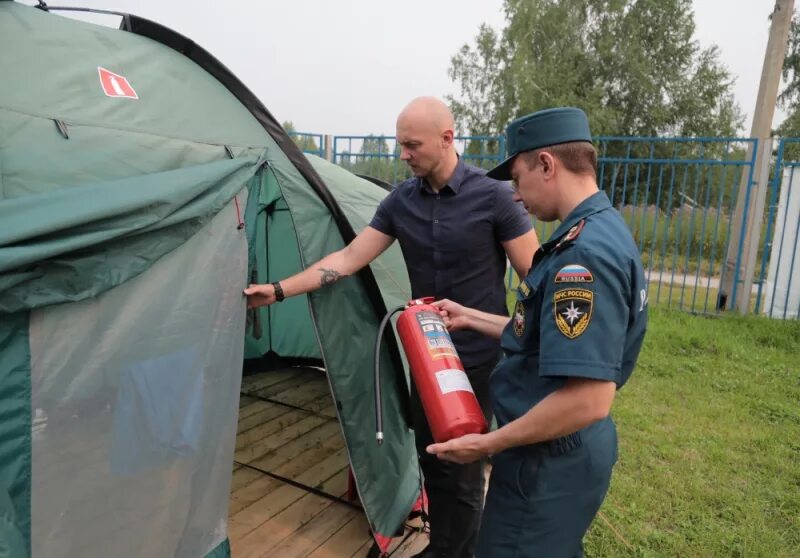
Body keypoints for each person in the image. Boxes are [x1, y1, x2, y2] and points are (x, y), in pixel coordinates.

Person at [244, 96, 539, 558]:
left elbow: (534, 283)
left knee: (463, 474)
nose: (403, 155)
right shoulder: (400, 202)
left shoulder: (495, 197)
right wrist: (278, 290)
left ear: (447, 139)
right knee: (431, 457)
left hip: (478, 362)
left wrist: (527, 342)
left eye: (412, 145)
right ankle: (443, 545)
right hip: (425, 357)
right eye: (400, 144)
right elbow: (346, 259)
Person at [426, 107, 648, 558]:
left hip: (548, 457)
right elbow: (548, 335)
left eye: (517, 176)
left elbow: (589, 398)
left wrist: (486, 444)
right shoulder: (597, 229)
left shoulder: (582, 257)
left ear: (546, 164)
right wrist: (471, 316)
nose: (515, 194)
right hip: (555, 451)